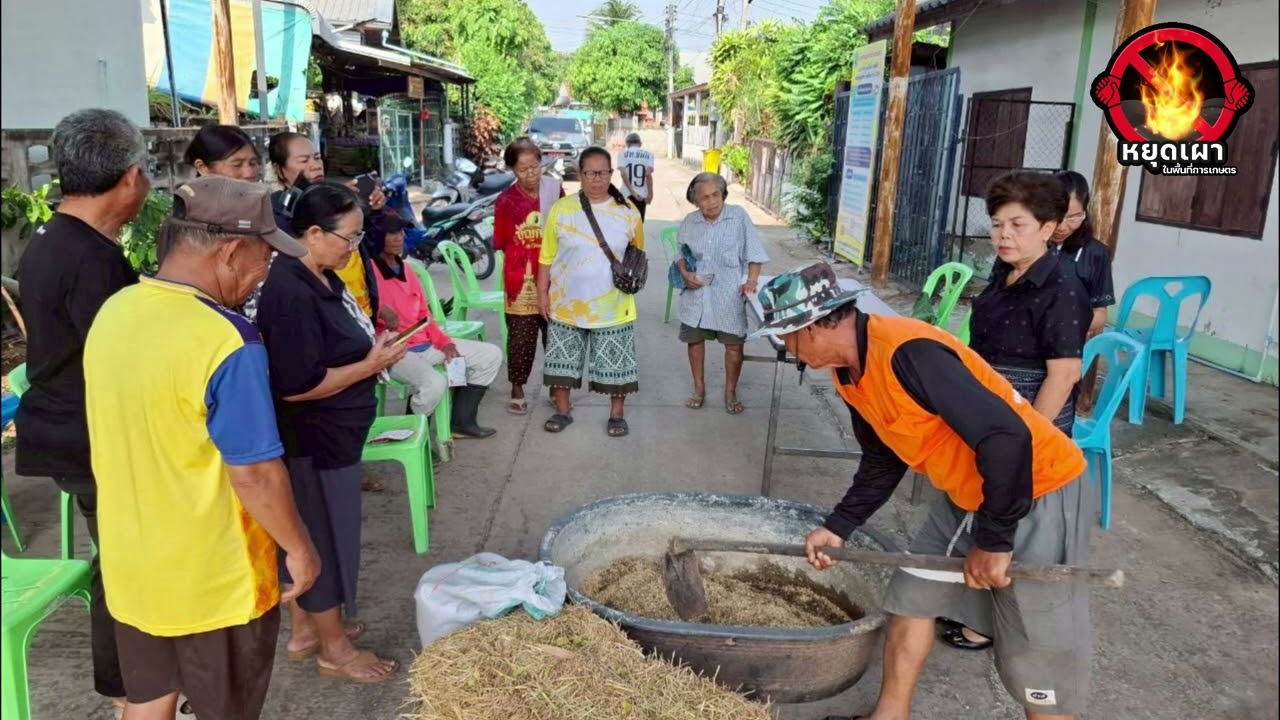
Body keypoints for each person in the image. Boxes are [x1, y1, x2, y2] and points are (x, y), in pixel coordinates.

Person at [752, 263, 1093, 720]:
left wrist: (994, 541)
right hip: (967, 495)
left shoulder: (908, 353)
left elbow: (1007, 439)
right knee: (912, 598)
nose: (786, 349)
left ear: (814, 325)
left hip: (1036, 489)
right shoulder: (849, 372)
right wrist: (839, 526)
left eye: (786, 337)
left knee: (1036, 646)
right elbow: (882, 457)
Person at [83, 176, 320, 720]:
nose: (264, 274)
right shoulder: (227, 339)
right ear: (232, 250)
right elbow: (255, 474)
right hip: (215, 581)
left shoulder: (115, 312)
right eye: (264, 258)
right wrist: (300, 548)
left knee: (147, 703)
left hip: (132, 567)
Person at [14, 107, 149, 714]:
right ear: (126, 178)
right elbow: (122, 357)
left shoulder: (52, 238)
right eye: (142, 172)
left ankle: (131, 685)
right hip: (90, 435)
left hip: (65, 426)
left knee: (119, 557)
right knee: (125, 566)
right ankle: (130, 692)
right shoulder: (91, 258)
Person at [254, 182, 405, 683]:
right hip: (312, 442)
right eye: (349, 237)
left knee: (321, 536)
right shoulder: (290, 291)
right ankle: (333, 650)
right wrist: (371, 365)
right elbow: (297, 386)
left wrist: (372, 345)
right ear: (313, 233)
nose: (354, 248)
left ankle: (306, 632)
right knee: (321, 542)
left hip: (333, 437)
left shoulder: (320, 273)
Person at [936, 172, 1090, 652]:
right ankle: (978, 612)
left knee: (1020, 531)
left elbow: (1063, 375)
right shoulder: (1004, 272)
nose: (1004, 234)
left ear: (1048, 228)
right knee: (987, 515)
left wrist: (1026, 442)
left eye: (1017, 224)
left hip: (1029, 421)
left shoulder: (1062, 283)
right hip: (994, 413)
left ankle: (996, 629)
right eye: (998, 224)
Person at [538, 146, 644, 437]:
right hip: (566, 303)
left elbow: (637, 254)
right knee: (562, 361)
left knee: (617, 363)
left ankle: (616, 415)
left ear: (611, 174)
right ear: (580, 174)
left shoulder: (628, 212)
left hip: (613, 305)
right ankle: (562, 411)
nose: (597, 179)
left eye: (603, 173)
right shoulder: (562, 209)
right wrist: (542, 293)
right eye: (590, 173)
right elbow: (546, 257)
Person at [367, 212, 501, 437]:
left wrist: (444, 342)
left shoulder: (407, 270)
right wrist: (378, 311)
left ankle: (461, 422)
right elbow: (357, 311)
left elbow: (424, 316)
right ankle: (412, 435)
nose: (398, 237)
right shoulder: (367, 272)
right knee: (434, 383)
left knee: (490, 355)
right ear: (376, 236)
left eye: (400, 232)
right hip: (393, 351)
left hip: (425, 344)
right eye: (391, 233)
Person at [675, 172, 769, 415]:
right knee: (694, 341)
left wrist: (752, 279)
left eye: (715, 195)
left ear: (723, 194)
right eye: (704, 198)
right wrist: (686, 274)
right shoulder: (690, 221)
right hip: (697, 293)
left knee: (734, 346)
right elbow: (680, 254)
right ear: (696, 202)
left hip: (728, 292)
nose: (711, 202)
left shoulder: (738, 217)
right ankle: (699, 389)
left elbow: (754, 252)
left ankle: (730, 391)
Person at [493, 137, 563, 414]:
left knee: (556, 335)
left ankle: (556, 387)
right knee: (521, 337)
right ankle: (517, 386)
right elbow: (499, 242)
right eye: (523, 170)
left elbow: (567, 225)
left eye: (535, 167)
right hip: (521, 279)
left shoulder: (554, 191)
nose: (531, 174)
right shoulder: (507, 201)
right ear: (512, 171)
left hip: (554, 276)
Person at [1051, 170, 1115, 340]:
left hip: (1067, 342)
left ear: (1084, 213)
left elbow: (1100, 312)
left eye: (1073, 218)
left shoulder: (1096, 253)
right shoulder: (1025, 244)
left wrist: (1068, 324)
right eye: (1056, 216)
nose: (1062, 227)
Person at [185, 124, 261, 181]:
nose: (249, 174)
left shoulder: (265, 200)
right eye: (237, 165)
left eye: (253, 163)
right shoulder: (191, 201)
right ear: (203, 168)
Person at [617, 132, 655, 221]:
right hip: (641, 195)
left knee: (625, 222)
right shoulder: (649, 154)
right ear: (640, 144)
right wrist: (650, 194)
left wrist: (632, 192)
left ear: (627, 144)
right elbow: (648, 175)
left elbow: (623, 174)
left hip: (625, 194)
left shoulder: (622, 154)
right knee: (638, 224)